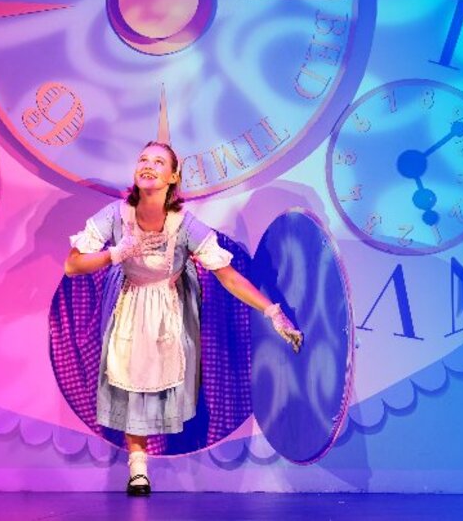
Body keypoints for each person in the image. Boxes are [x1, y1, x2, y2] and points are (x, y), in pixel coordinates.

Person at [64, 141, 302, 496]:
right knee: (128, 376)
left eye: (159, 162)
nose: (148, 165)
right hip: (128, 300)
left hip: (169, 308)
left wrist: (273, 312)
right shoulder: (116, 214)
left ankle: (167, 462)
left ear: (173, 176)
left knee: (162, 376)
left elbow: (228, 276)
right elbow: (73, 265)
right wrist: (116, 253)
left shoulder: (184, 224)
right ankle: (138, 468)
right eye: (143, 159)